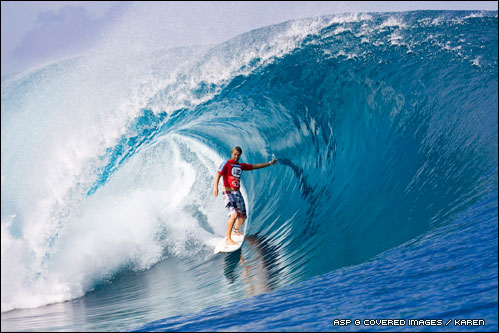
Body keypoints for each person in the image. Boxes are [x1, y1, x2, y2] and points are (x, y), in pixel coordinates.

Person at [213, 146, 277, 245]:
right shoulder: (226, 163)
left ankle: (235, 230)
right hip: (228, 192)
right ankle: (228, 238)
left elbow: (255, 166)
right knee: (234, 215)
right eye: (235, 154)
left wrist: (269, 163)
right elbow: (218, 174)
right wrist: (215, 187)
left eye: (238, 155)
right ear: (231, 153)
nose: (236, 157)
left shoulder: (240, 166)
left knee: (242, 217)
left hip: (237, 193)